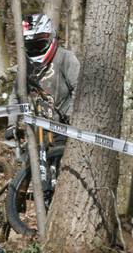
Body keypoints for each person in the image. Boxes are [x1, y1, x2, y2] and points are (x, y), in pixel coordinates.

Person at [7, 13, 80, 188]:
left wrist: (73, 115)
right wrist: (11, 124)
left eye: (39, 44)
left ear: (50, 38)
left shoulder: (65, 58)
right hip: (37, 123)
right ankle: (16, 197)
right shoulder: (26, 64)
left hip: (63, 121)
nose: (36, 50)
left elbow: (80, 88)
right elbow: (16, 95)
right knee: (27, 164)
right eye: (31, 46)